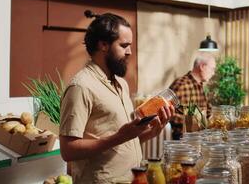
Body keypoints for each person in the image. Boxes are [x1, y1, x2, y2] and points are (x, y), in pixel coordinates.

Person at [59, 12, 175, 183]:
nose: (129, 52)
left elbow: (123, 142)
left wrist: (152, 132)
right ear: (103, 45)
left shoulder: (121, 83)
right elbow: (68, 150)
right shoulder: (81, 86)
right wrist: (120, 136)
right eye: (124, 45)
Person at [169, 52, 216, 139]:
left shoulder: (201, 86)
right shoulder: (181, 84)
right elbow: (168, 114)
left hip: (201, 140)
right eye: (212, 69)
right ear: (202, 67)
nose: (213, 73)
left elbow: (209, 113)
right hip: (182, 142)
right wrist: (192, 121)